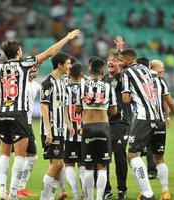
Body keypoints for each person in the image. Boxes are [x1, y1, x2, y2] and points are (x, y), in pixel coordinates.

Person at [0, 29, 80, 200]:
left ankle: (1, 190)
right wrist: (67, 38)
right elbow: (49, 53)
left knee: (4, 152)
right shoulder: (24, 63)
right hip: (19, 114)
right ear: (19, 52)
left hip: (2, 113)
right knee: (20, 154)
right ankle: (13, 192)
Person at [120, 48, 159, 200]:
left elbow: (125, 99)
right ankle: (144, 193)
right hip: (155, 115)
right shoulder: (144, 68)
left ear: (129, 61)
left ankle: (148, 194)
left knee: (132, 154)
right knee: (136, 155)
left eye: (121, 60)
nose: (119, 62)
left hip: (143, 116)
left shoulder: (126, 73)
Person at [76, 57, 117, 200]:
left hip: (88, 128)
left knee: (88, 167)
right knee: (102, 166)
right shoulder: (108, 87)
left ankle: (89, 198)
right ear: (102, 71)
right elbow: (114, 111)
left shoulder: (81, 86)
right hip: (104, 127)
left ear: (90, 69)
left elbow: (77, 109)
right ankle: (100, 198)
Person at [150, 59, 174, 200]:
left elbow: (167, 101)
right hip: (157, 122)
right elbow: (168, 100)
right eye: (160, 68)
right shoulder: (161, 82)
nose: (162, 70)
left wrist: (170, 116)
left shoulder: (146, 80)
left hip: (145, 122)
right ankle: (164, 191)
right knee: (158, 156)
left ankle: (149, 191)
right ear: (151, 68)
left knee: (136, 156)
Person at [40, 52, 72, 199]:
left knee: (58, 164)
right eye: (68, 63)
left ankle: (50, 196)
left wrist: (68, 123)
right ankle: (44, 196)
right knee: (57, 164)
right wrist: (48, 130)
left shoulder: (62, 82)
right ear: (59, 65)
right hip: (51, 130)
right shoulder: (48, 82)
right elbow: (44, 107)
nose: (70, 66)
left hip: (61, 129)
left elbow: (62, 105)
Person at [103, 49, 131, 200]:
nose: (110, 62)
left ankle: (122, 189)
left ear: (120, 63)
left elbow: (129, 66)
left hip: (121, 122)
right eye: (109, 59)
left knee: (120, 155)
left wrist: (120, 51)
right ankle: (106, 189)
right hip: (104, 123)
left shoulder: (123, 77)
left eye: (114, 60)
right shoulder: (103, 81)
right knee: (104, 157)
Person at [17, 67, 41, 198]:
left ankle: (21, 187)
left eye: (37, 68)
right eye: (32, 68)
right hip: (21, 121)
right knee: (23, 157)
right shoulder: (21, 83)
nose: (35, 70)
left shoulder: (36, 85)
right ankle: (16, 188)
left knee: (31, 157)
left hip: (28, 123)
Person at [64, 63, 85, 200]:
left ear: (69, 74)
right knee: (84, 164)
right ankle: (85, 193)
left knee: (69, 164)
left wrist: (68, 124)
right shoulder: (87, 86)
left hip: (69, 131)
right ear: (82, 74)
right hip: (84, 130)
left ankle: (76, 195)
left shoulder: (64, 87)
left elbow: (63, 108)